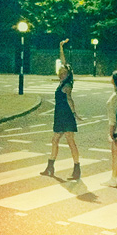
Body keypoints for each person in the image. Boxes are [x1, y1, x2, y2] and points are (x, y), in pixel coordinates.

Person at [41, 39, 82, 180]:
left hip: (66, 115)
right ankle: (50, 167)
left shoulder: (68, 83)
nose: (61, 73)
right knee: (55, 140)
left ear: (68, 73)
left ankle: (76, 169)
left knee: (70, 141)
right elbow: (62, 62)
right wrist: (60, 46)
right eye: (60, 72)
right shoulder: (61, 83)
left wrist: (75, 113)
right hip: (59, 114)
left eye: (63, 72)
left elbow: (69, 99)